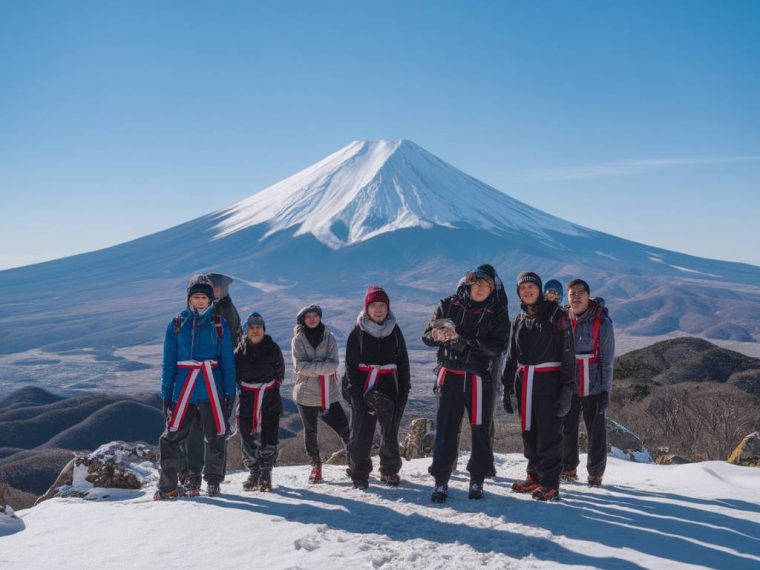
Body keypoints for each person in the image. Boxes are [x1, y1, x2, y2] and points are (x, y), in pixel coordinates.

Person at [422, 266, 510, 503]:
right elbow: (426, 334)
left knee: (480, 430)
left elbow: (499, 345)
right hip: (449, 375)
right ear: (468, 284)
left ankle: (477, 478)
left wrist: (466, 343)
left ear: (493, 289)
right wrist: (436, 336)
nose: (481, 288)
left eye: (487, 285)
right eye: (477, 283)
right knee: (446, 430)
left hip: (478, 377)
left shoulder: (497, 313)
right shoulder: (448, 304)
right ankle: (441, 480)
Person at [155, 274, 236, 499]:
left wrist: (230, 392)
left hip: (212, 386)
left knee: (217, 434)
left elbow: (228, 361)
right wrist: (166, 395)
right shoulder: (177, 324)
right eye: (196, 297)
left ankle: (213, 480)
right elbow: (168, 362)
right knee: (170, 437)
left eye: (204, 297)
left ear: (210, 300)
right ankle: (168, 486)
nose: (200, 301)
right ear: (189, 299)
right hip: (184, 390)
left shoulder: (219, 325)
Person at [502, 271, 575, 501]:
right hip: (525, 383)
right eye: (523, 289)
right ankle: (534, 475)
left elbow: (568, 354)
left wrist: (567, 389)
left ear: (539, 290)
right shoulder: (520, 320)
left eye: (531, 287)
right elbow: (512, 356)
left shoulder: (557, 315)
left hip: (549, 382)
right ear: (519, 294)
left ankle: (550, 483)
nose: (527, 291)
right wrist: (506, 387)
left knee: (549, 434)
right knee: (529, 432)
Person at [179, 272, 242, 490]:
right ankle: (194, 473)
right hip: (196, 378)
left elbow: (227, 347)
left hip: (214, 377)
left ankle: (209, 476)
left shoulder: (225, 311)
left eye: (217, 287)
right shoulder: (194, 312)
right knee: (198, 427)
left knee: (214, 428)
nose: (214, 290)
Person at [344, 286, 410, 489]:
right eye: (374, 305)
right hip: (364, 385)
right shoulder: (358, 333)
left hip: (390, 384)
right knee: (361, 433)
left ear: (388, 308)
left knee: (390, 431)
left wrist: (404, 389)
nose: (378, 309)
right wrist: (355, 395)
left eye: (382, 305)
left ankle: (389, 470)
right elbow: (350, 366)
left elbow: (403, 362)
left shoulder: (395, 331)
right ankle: (359, 472)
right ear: (367, 308)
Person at [561, 279, 615, 486]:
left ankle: (595, 474)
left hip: (594, 386)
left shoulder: (602, 322)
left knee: (596, 432)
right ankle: (568, 469)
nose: (576, 296)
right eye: (572, 293)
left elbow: (607, 361)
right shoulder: (563, 318)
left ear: (588, 295)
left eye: (580, 292)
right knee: (567, 428)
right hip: (569, 384)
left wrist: (605, 391)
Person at [291, 304, 351, 483]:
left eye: (315, 315)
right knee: (310, 432)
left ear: (319, 317)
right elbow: (299, 366)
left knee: (345, 429)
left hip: (329, 394)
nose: (312, 319)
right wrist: (322, 366)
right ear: (303, 320)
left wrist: (313, 366)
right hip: (306, 395)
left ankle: (356, 462)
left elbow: (334, 364)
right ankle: (315, 466)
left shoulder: (329, 337)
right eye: (308, 316)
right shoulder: (298, 340)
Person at [236, 312, 285, 492]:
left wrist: (272, 388)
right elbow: (236, 375)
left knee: (269, 434)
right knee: (246, 433)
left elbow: (280, 372)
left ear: (263, 329)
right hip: (248, 398)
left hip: (269, 397)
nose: (255, 331)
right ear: (246, 330)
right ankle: (254, 471)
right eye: (251, 327)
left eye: (258, 327)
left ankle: (266, 472)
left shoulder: (273, 348)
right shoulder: (239, 351)